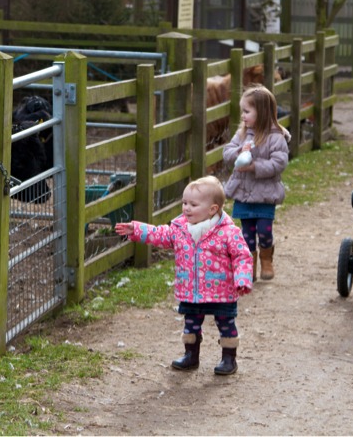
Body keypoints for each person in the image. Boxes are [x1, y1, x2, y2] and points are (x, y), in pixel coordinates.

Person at [115, 176, 252, 375]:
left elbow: (242, 256)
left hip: (221, 290)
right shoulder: (179, 229)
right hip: (191, 290)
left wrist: (243, 279)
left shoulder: (228, 232)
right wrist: (136, 229)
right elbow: (159, 234)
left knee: (226, 323)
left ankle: (229, 358)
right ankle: (191, 355)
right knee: (191, 324)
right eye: (184, 203)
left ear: (212, 209)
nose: (186, 208)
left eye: (193, 205)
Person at [223, 85, 290, 281]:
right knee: (247, 233)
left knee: (264, 230)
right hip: (244, 193)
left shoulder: (276, 137)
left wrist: (254, 166)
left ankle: (266, 259)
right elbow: (227, 152)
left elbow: (279, 163)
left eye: (247, 111)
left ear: (261, 112)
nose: (243, 116)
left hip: (265, 194)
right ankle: (248, 266)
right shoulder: (242, 135)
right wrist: (238, 151)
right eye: (242, 111)